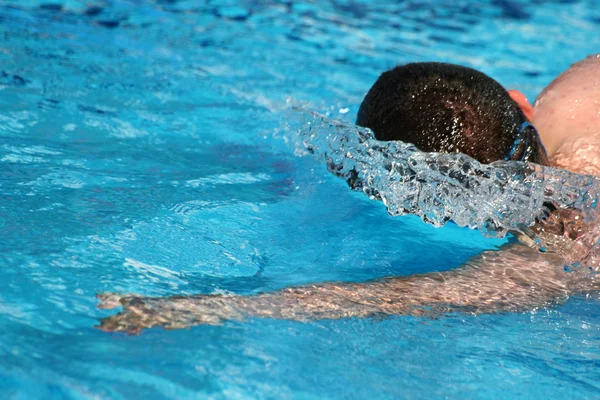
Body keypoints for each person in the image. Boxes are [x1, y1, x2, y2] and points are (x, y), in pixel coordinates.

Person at [96, 56, 600, 333]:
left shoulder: (579, 244)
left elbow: (404, 297)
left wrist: (212, 309)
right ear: (520, 103)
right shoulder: (576, 93)